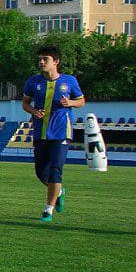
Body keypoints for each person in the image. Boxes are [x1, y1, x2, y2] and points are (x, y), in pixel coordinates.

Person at [21, 44, 85, 223]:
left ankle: (48, 209)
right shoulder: (33, 82)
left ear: (56, 62)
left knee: (56, 170)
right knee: (41, 172)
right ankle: (60, 191)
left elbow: (81, 101)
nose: (41, 62)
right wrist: (34, 112)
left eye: (45, 59)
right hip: (40, 133)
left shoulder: (69, 81)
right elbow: (25, 103)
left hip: (61, 133)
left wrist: (70, 103)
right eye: (40, 59)